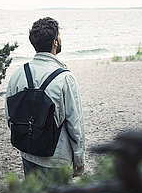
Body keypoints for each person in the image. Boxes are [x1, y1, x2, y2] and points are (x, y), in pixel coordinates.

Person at [5, 17, 85, 178]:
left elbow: (10, 116)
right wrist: (79, 160)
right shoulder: (65, 78)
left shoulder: (18, 73)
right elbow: (75, 125)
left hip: (28, 154)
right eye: (59, 36)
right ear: (55, 42)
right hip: (56, 159)